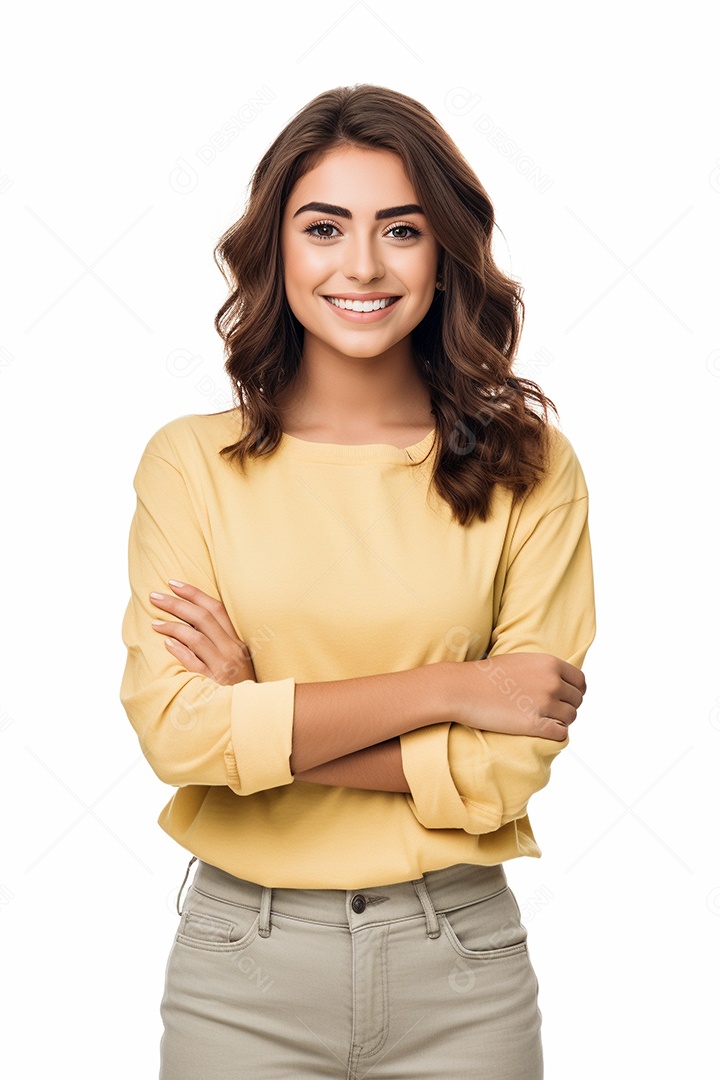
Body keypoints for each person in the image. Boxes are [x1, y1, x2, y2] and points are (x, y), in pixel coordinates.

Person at [120, 83, 595, 1080]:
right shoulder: (188, 466)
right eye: (325, 227)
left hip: (461, 968)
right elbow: (179, 736)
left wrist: (256, 712)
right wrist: (454, 692)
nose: (363, 265)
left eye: (402, 230)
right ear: (277, 250)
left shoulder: (533, 468)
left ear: (445, 255)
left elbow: (507, 772)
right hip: (239, 970)